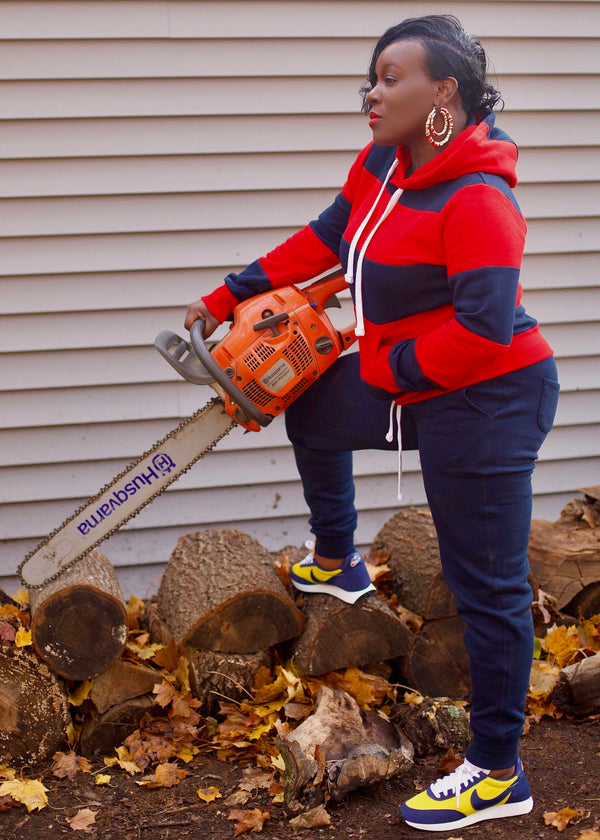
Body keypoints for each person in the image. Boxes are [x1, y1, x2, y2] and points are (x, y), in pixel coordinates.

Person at [185, 14, 559, 832]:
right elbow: (326, 239)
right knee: (311, 402)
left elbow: (484, 330)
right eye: (372, 76)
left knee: (485, 590)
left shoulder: (480, 201)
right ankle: (337, 560)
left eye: (393, 77)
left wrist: (387, 368)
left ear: (444, 94)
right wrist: (229, 293)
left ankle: (499, 770)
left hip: (488, 399)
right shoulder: (385, 166)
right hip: (421, 381)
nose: (373, 91)